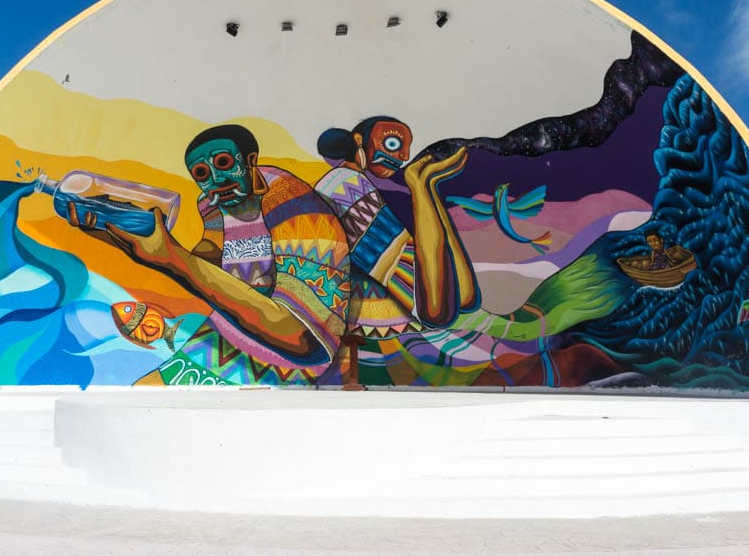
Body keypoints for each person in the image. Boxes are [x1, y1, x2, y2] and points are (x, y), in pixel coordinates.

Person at [68, 124, 350, 385]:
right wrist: (126, 241)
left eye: (224, 163)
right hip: (225, 337)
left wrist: (173, 259)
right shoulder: (212, 206)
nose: (216, 180)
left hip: (289, 362)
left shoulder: (291, 201)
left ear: (250, 161)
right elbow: (206, 262)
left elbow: (304, 340)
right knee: (145, 389)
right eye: (202, 173)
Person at [314, 116, 479, 337]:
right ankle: (420, 183)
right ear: (358, 140)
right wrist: (418, 187)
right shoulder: (343, 182)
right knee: (440, 312)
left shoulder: (350, 180)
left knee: (466, 297)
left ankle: (424, 183)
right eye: (393, 144)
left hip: (412, 280)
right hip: (406, 289)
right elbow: (385, 253)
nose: (404, 156)